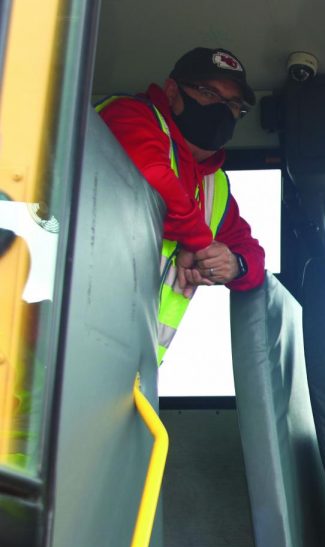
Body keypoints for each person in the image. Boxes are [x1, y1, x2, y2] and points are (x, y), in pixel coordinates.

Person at [97, 47, 265, 363]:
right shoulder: (130, 115)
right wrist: (201, 243)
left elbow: (253, 257)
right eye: (208, 93)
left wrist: (232, 264)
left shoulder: (215, 186)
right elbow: (150, 180)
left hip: (130, 372)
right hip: (52, 343)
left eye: (232, 105)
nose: (221, 110)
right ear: (173, 91)